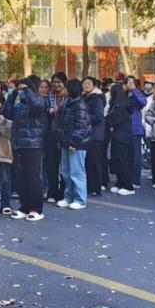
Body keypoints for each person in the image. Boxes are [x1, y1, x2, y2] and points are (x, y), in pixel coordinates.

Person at [3, 76, 47, 221]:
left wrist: (27, 91)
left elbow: (37, 106)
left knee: (33, 177)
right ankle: (25, 206)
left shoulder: (39, 101)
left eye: (23, 88)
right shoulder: (19, 105)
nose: (21, 91)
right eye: (20, 88)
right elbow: (6, 113)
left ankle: (36, 209)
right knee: (21, 177)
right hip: (18, 145)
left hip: (33, 145)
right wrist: (12, 95)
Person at [55, 79, 91, 211]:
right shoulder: (68, 102)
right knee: (66, 172)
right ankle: (68, 197)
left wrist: (74, 142)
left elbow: (81, 126)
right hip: (66, 142)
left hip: (77, 143)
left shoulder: (79, 104)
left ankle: (80, 199)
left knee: (77, 172)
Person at [106, 82, 136, 195]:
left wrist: (106, 121)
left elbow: (113, 119)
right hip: (119, 136)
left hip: (121, 136)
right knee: (117, 161)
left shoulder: (120, 104)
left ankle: (128, 186)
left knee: (122, 161)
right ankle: (120, 183)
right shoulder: (119, 103)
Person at [81, 77, 106, 197]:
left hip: (95, 134)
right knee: (87, 161)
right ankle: (89, 186)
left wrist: (84, 118)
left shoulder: (97, 98)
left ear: (94, 86)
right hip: (85, 134)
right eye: (84, 83)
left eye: (89, 83)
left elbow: (99, 116)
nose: (86, 85)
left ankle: (97, 187)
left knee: (95, 161)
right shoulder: (83, 97)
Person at [45, 74, 67, 203]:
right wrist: (49, 110)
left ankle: (63, 192)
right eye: (54, 82)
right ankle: (52, 192)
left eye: (59, 82)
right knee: (51, 165)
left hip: (64, 134)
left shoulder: (68, 97)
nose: (56, 85)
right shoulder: (49, 96)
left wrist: (60, 110)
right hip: (51, 133)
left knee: (64, 165)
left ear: (64, 83)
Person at [126, 77, 149, 189]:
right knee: (125, 156)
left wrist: (134, 90)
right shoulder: (123, 95)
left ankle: (135, 180)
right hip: (123, 128)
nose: (129, 84)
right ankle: (126, 179)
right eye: (128, 82)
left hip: (135, 128)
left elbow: (143, 102)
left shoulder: (138, 94)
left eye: (132, 82)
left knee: (135, 156)